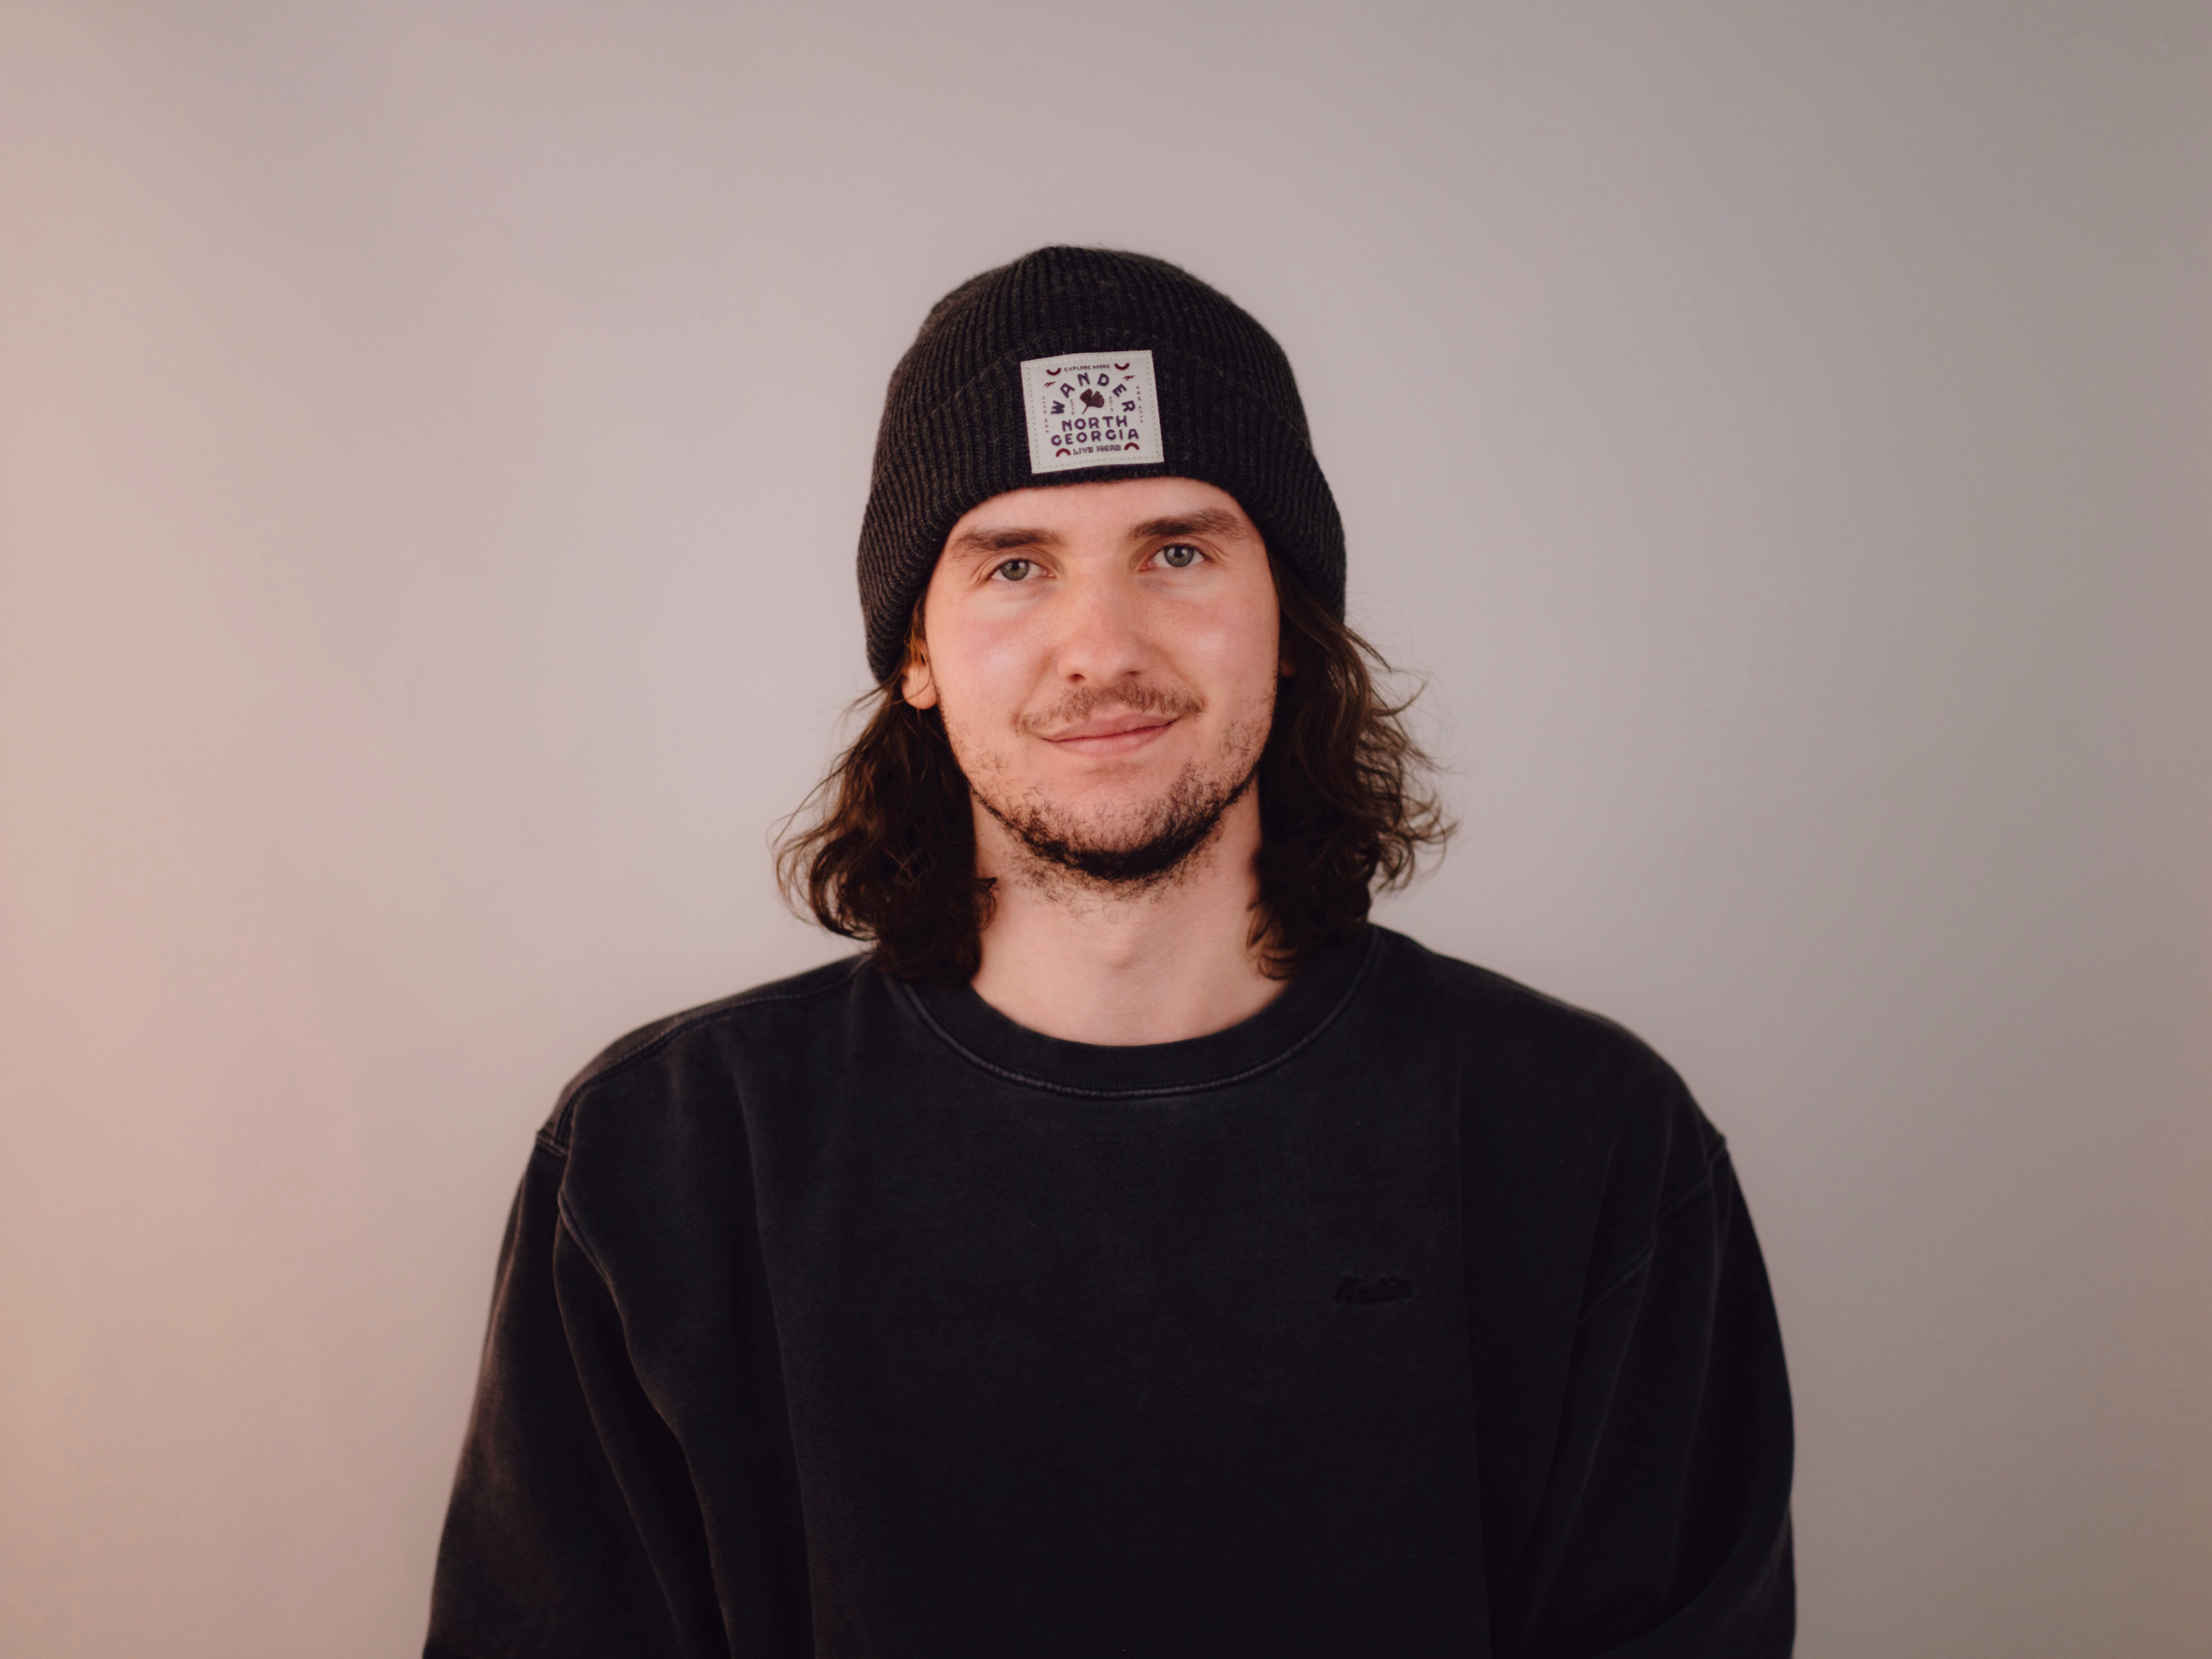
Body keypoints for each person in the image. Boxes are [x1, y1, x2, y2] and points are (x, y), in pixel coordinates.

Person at [424, 246, 1794, 1658]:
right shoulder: (661, 1163)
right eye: (1015, 565)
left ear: (1291, 620)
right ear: (916, 651)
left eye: (1177, 551)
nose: (1101, 647)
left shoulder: (1585, 1142)